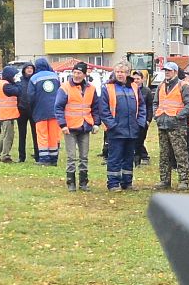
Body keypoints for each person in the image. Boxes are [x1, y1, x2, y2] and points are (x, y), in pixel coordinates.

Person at [95, 61, 146, 191]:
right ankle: (113, 183)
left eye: (122, 72)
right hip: (115, 130)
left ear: (127, 73)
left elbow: (141, 106)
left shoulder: (134, 87)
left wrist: (140, 123)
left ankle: (127, 182)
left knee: (129, 157)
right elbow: (104, 109)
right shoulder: (108, 88)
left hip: (132, 129)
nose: (120, 74)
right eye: (117, 72)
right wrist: (112, 125)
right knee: (115, 158)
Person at [55, 61, 98, 191]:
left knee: (84, 157)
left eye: (79, 73)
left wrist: (96, 123)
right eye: (74, 72)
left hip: (85, 126)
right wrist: (62, 125)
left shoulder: (91, 89)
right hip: (70, 127)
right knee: (71, 157)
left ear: (85, 74)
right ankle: (71, 182)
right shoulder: (65, 87)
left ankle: (83, 182)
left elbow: (96, 107)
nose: (76, 75)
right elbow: (58, 107)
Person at [153, 61, 189, 191]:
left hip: (177, 126)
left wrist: (178, 116)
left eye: (169, 70)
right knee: (164, 154)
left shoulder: (183, 86)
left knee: (180, 154)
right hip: (163, 124)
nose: (166, 72)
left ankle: (184, 180)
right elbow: (156, 103)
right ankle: (164, 180)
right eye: (165, 70)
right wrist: (157, 115)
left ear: (175, 72)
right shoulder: (160, 86)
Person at [28, 56, 61, 166]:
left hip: (40, 110)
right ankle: (54, 158)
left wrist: (32, 108)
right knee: (53, 134)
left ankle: (44, 159)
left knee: (42, 134)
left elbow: (30, 96)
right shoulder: (55, 76)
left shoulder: (34, 78)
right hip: (54, 110)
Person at [0, 66, 22, 162]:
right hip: (7, 114)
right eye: (14, 76)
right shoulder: (6, 86)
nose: (14, 77)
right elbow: (18, 91)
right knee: (8, 136)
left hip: (6, 114)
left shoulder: (3, 84)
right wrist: (18, 82)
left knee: (4, 135)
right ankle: (5, 156)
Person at [131, 69, 154, 166]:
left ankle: (141, 157)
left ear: (142, 80)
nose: (136, 80)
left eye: (138, 78)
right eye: (134, 78)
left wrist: (148, 120)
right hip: (132, 120)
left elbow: (150, 106)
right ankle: (137, 158)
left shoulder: (147, 91)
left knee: (140, 139)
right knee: (133, 139)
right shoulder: (130, 89)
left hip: (143, 120)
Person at [15, 62, 34, 162]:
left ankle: (38, 155)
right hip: (21, 109)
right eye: (28, 68)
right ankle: (21, 156)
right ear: (24, 69)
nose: (29, 70)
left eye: (31, 68)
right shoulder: (19, 80)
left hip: (33, 109)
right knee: (22, 134)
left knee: (36, 134)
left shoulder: (35, 79)